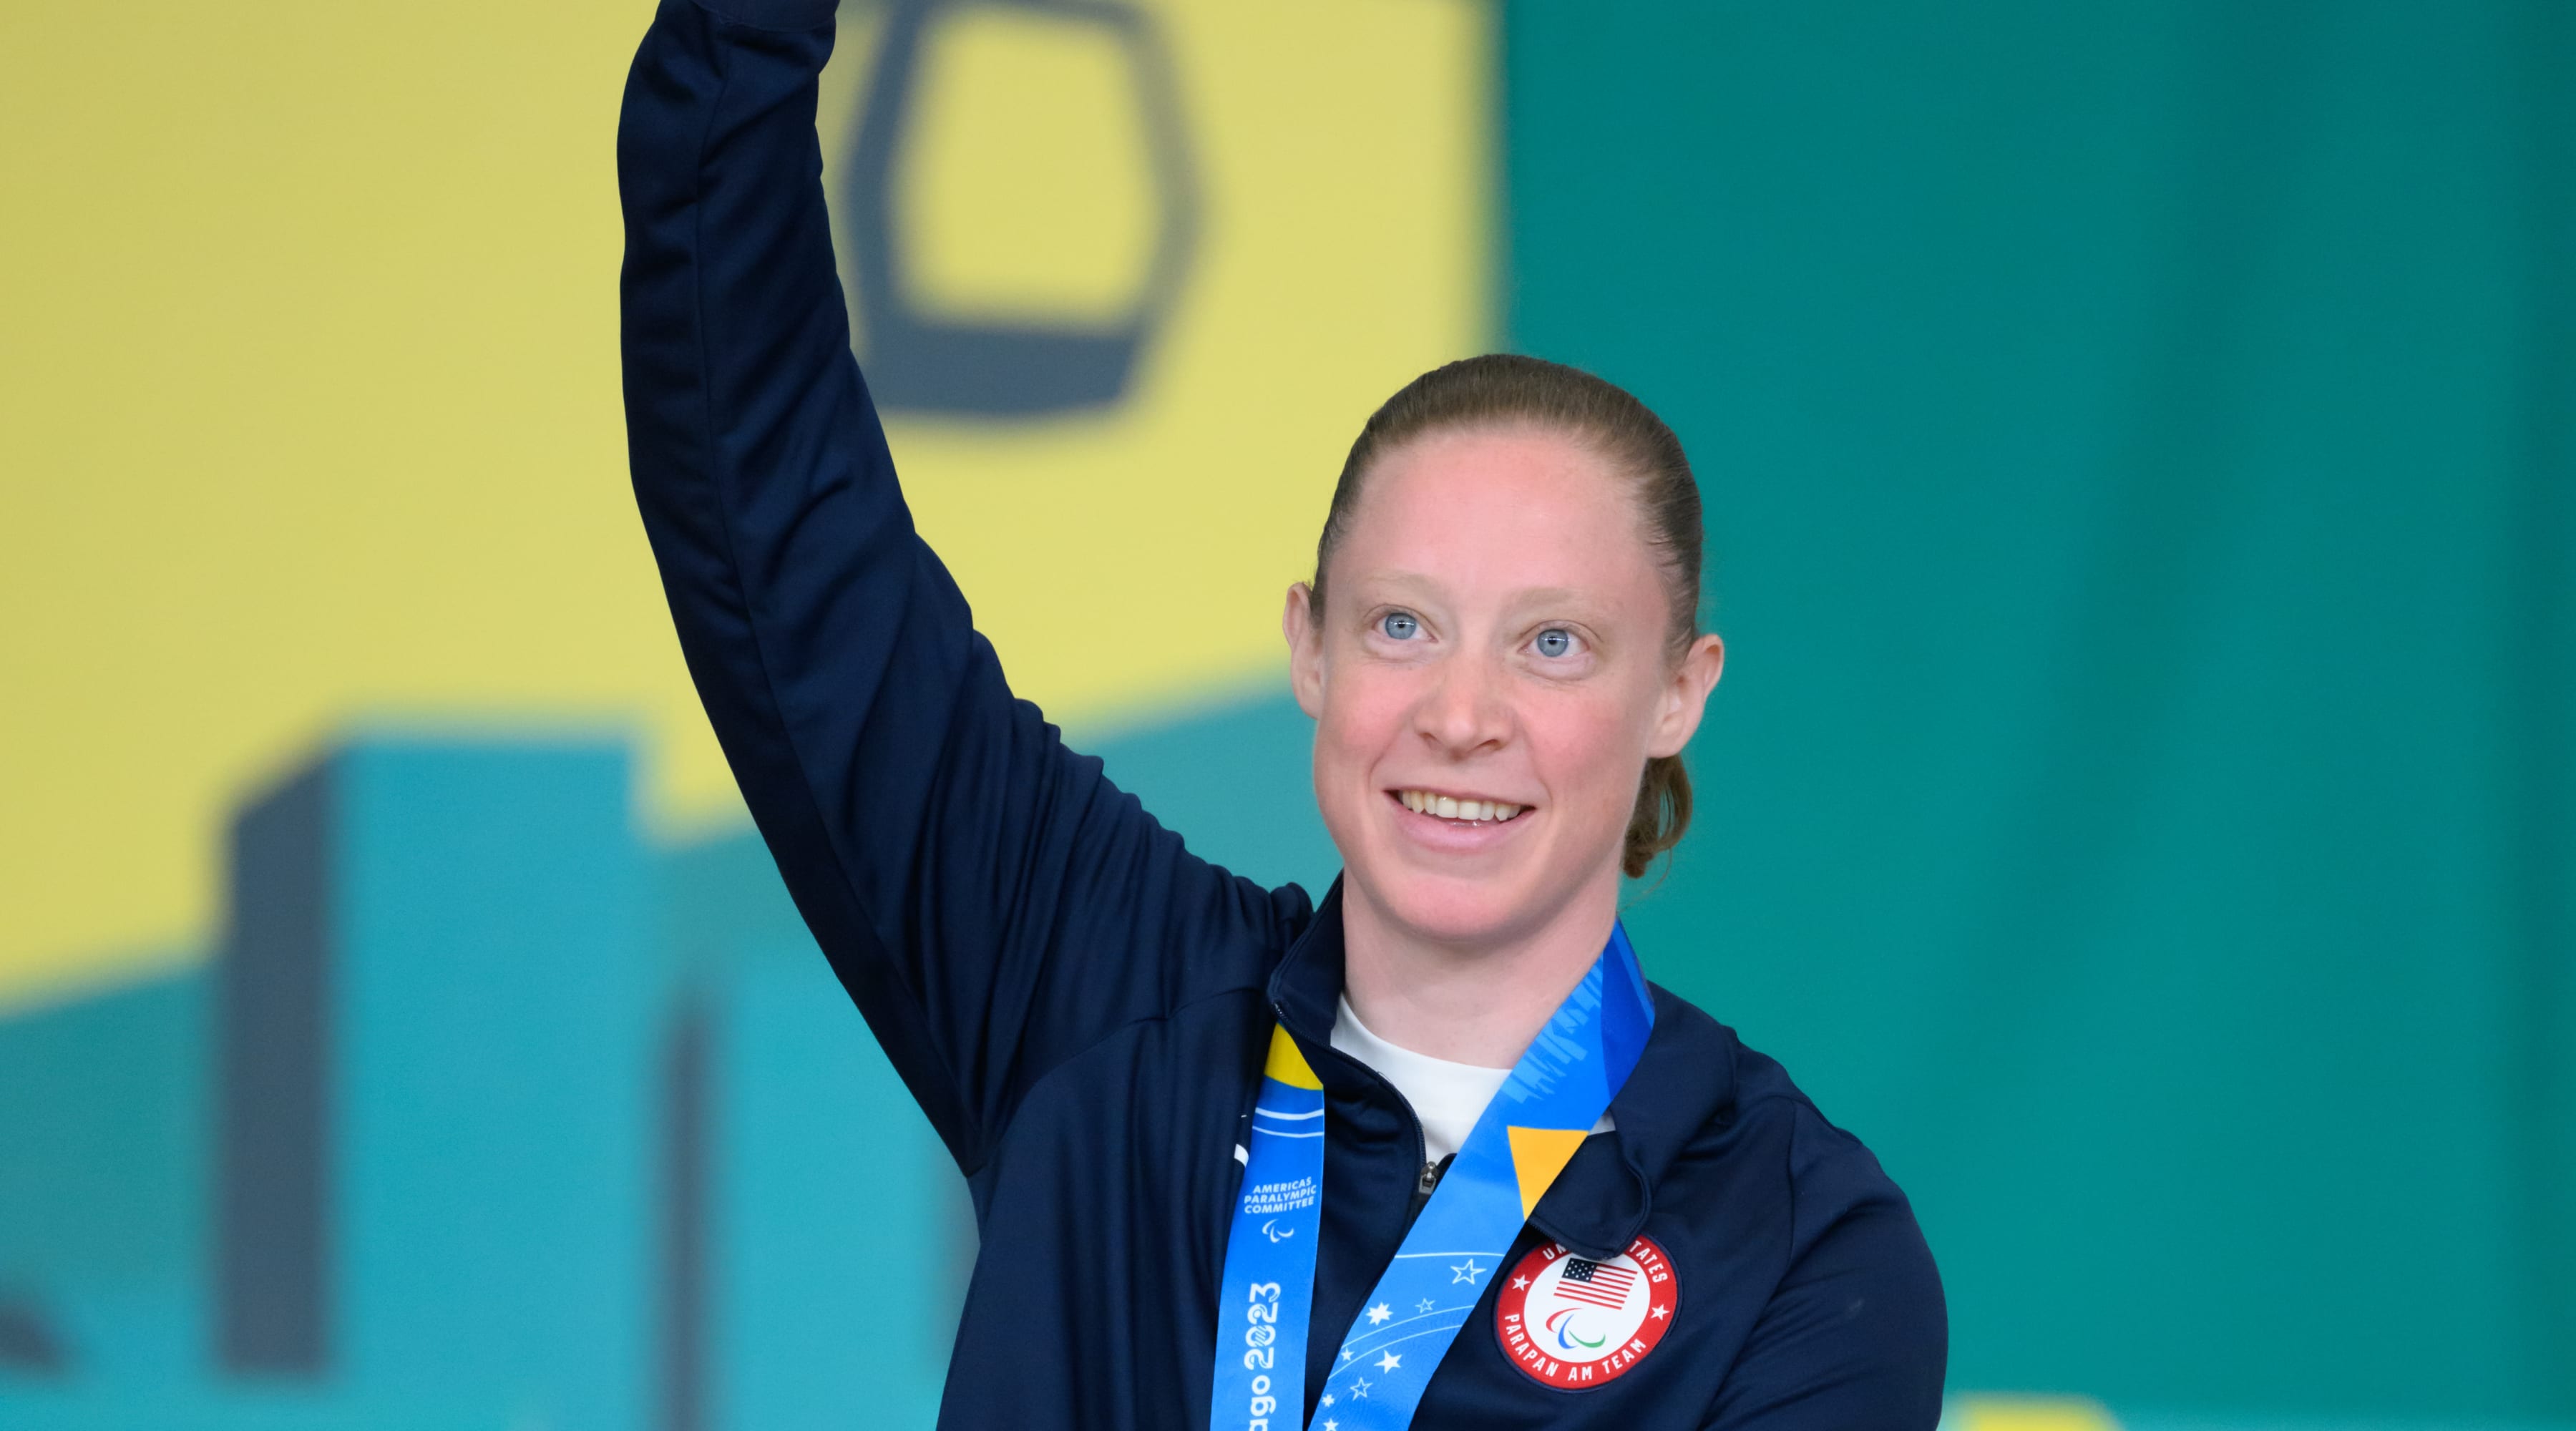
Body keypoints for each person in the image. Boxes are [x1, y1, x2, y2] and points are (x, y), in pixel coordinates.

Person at [617, 1, 1947, 1426]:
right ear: (1309, 649)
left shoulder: (1796, 1243)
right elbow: (778, 527)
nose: (1461, 713)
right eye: (1401, 625)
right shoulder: (1097, 998)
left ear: (1679, 692)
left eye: (1552, 643)